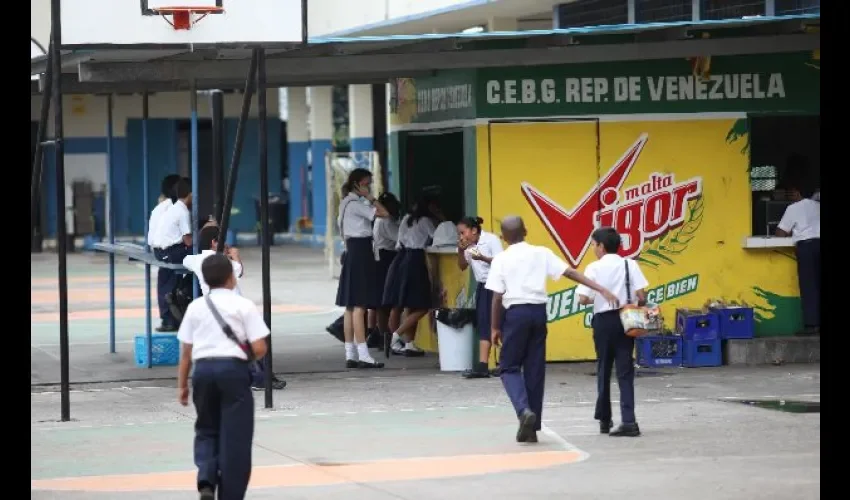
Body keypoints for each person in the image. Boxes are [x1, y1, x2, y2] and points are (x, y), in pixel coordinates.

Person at [486, 216, 618, 443]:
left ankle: (523, 411)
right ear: (525, 230)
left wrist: (495, 327)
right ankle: (532, 428)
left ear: (504, 238)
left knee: (508, 367)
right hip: (538, 314)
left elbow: (497, 297)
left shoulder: (501, 259)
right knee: (535, 370)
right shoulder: (541, 252)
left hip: (515, 314)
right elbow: (570, 273)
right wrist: (600, 288)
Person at [177, 254, 270, 500]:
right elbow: (260, 348)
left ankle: (206, 481)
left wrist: (182, 387)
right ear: (231, 277)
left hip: (203, 372)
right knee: (235, 437)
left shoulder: (196, 307)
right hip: (233, 371)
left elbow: (186, 352)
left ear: (205, 281)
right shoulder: (244, 305)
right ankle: (231, 494)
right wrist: (242, 361)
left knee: (206, 428)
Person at [182, 225, 286, 392]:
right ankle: (259, 378)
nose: (227, 245)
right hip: (233, 306)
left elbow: (185, 260)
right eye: (223, 242)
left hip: (214, 308)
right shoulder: (224, 262)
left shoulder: (196, 260)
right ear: (214, 242)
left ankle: (262, 376)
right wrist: (236, 256)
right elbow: (239, 272)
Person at [576, 227, 649, 437]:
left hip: (604, 321)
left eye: (593, 245)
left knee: (604, 369)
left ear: (601, 246)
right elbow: (642, 296)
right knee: (625, 371)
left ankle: (605, 420)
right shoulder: (630, 264)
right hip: (627, 320)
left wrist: (598, 298)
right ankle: (629, 421)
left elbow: (582, 299)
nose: (592, 248)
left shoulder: (593, 268)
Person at [335, 168, 390, 369]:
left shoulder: (344, 203)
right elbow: (384, 213)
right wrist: (371, 198)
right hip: (360, 251)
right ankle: (364, 353)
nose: (369, 186)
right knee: (360, 305)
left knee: (351, 307)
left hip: (353, 251)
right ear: (357, 183)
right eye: (367, 183)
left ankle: (350, 353)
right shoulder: (356, 204)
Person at [385, 193, 444, 357]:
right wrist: (440, 217)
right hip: (417, 260)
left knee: (411, 304)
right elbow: (438, 238)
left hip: (404, 258)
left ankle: (410, 344)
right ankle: (397, 335)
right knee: (424, 305)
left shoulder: (406, 219)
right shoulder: (425, 221)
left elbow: (399, 242)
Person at [456, 216, 503, 379]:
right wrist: (461, 250)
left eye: (463, 232)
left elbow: (501, 262)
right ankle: (483, 365)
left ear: (474, 230)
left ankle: (507, 363)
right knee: (484, 322)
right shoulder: (467, 247)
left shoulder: (490, 240)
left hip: (497, 286)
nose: (461, 237)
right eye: (459, 234)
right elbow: (462, 266)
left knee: (500, 323)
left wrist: (482, 257)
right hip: (483, 286)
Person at [776, 178, 820, 336]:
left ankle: (811, 325)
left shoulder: (793, 208)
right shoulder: (817, 206)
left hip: (807, 247)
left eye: (791, 192)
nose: (789, 196)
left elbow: (781, 233)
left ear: (798, 192)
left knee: (809, 286)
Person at [149, 174, 181, 331]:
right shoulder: (177, 207)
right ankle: (173, 317)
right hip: (170, 250)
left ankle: (169, 317)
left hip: (158, 251)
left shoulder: (159, 207)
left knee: (165, 278)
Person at [370, 192, 402, 350]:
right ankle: (387, 336)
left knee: (382, 302)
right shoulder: (386, 221)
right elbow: (399, 238)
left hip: (380, 259)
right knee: (388, 301)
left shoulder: (378, 220)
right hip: (387, 259)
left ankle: (383, 336)